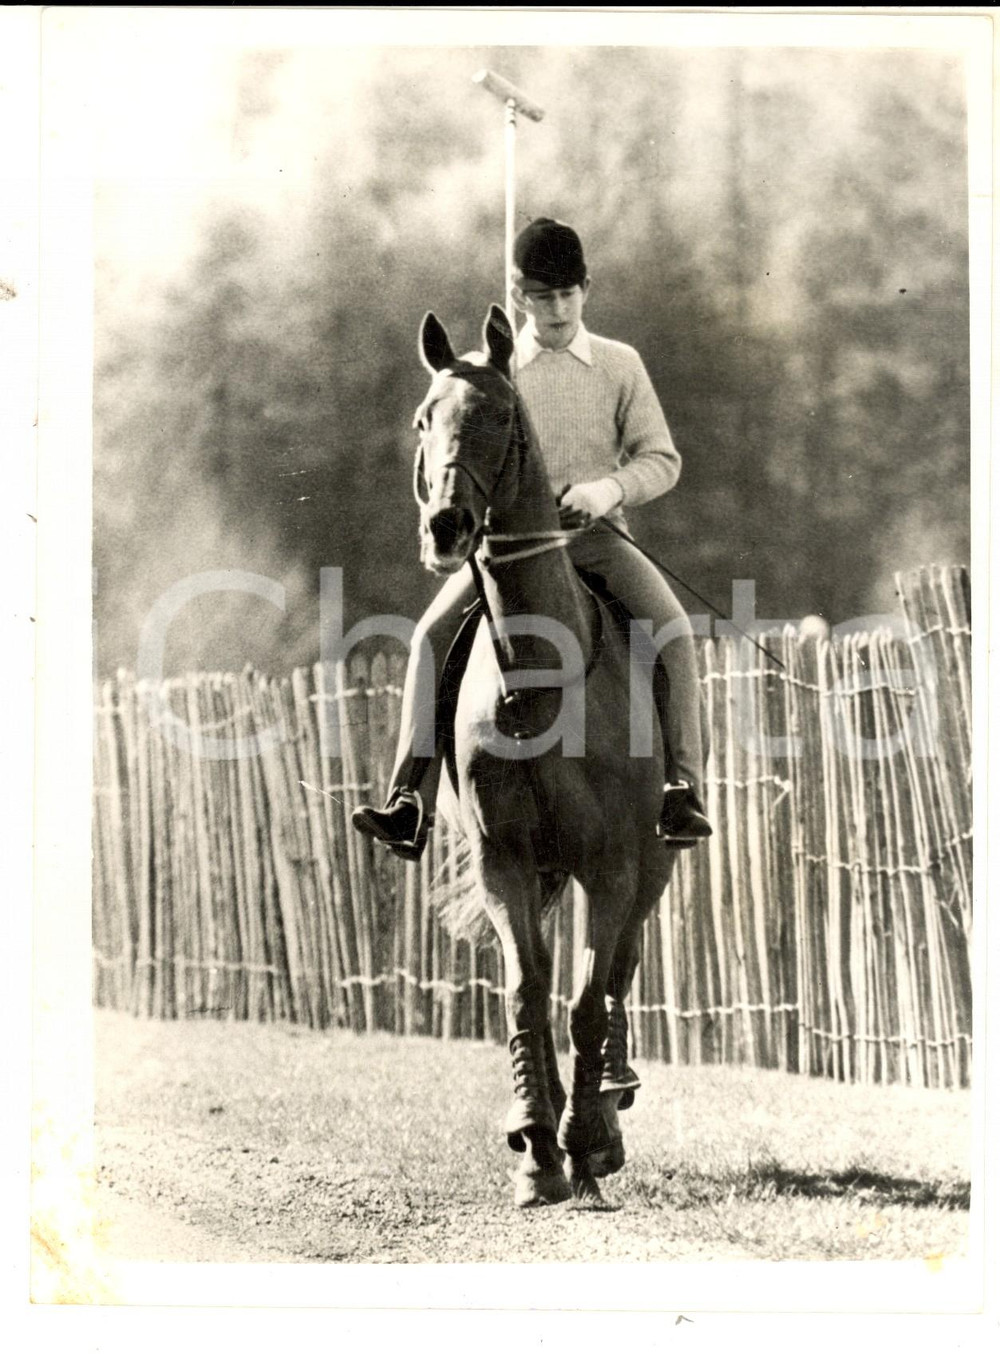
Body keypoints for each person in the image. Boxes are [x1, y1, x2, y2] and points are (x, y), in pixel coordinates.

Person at [352, 217, 712, 860]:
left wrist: (606, 490)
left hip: (599, 539)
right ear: (519, 297)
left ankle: (681, 788)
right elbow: (456, 455)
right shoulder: (495, 372)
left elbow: (662, 459)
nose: (558, 310)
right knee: (429, 637)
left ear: (586, 289)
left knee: (674, 632)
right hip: (508, 553)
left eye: (568, 294)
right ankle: (410, 800)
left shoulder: (620, 365)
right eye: (543, 298)